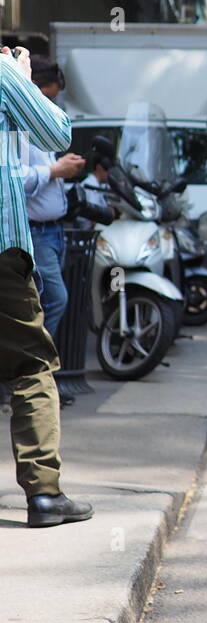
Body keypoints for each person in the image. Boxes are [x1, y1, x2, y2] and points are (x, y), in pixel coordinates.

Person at [0, 46, 93, 527]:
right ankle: (43, 494)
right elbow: (56, 131)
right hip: (2, 246)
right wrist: (19, 77)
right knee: (32, 363)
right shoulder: (2, 72)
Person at [21, 56, 85, 343]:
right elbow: (16, 179)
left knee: (50, 303)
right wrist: (55, 170)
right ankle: (37, 376)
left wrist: (60, 170)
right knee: (54, 301)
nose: (51, 107)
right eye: (47, 98)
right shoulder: (17, 126)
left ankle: (43, 378)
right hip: (37, 234)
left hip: (54, 232)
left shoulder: (39, 127)